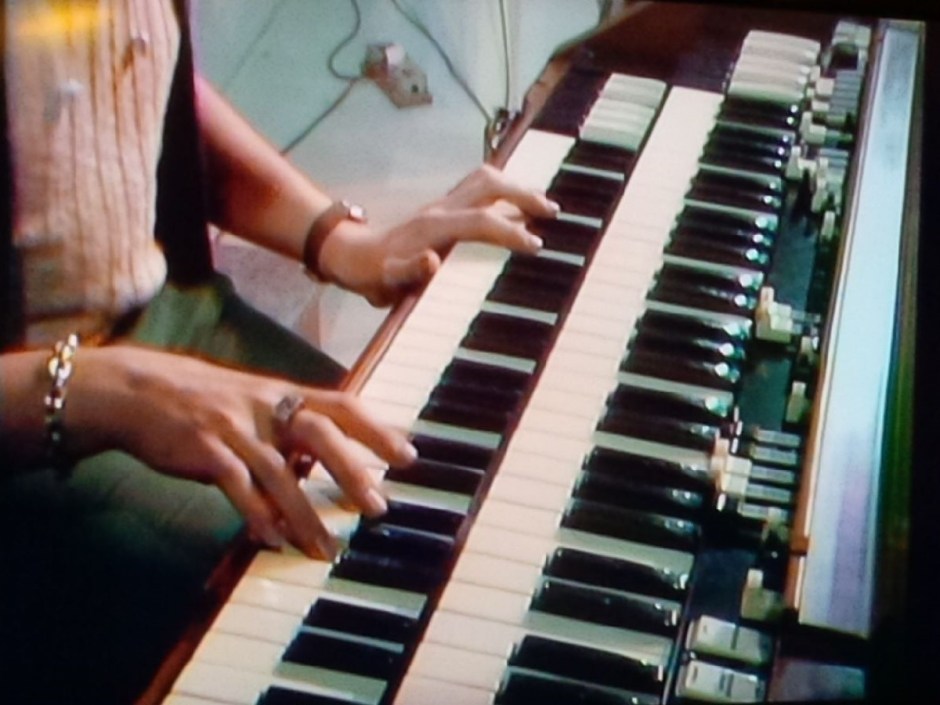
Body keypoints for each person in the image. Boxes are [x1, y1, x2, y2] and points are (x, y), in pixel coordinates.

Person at [0, 1, 557, 702]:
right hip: (31, 416)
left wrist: (337, 239)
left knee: (446, 475)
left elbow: (127, 72)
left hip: (166, 318)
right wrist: (118, 389)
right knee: (371, 576)